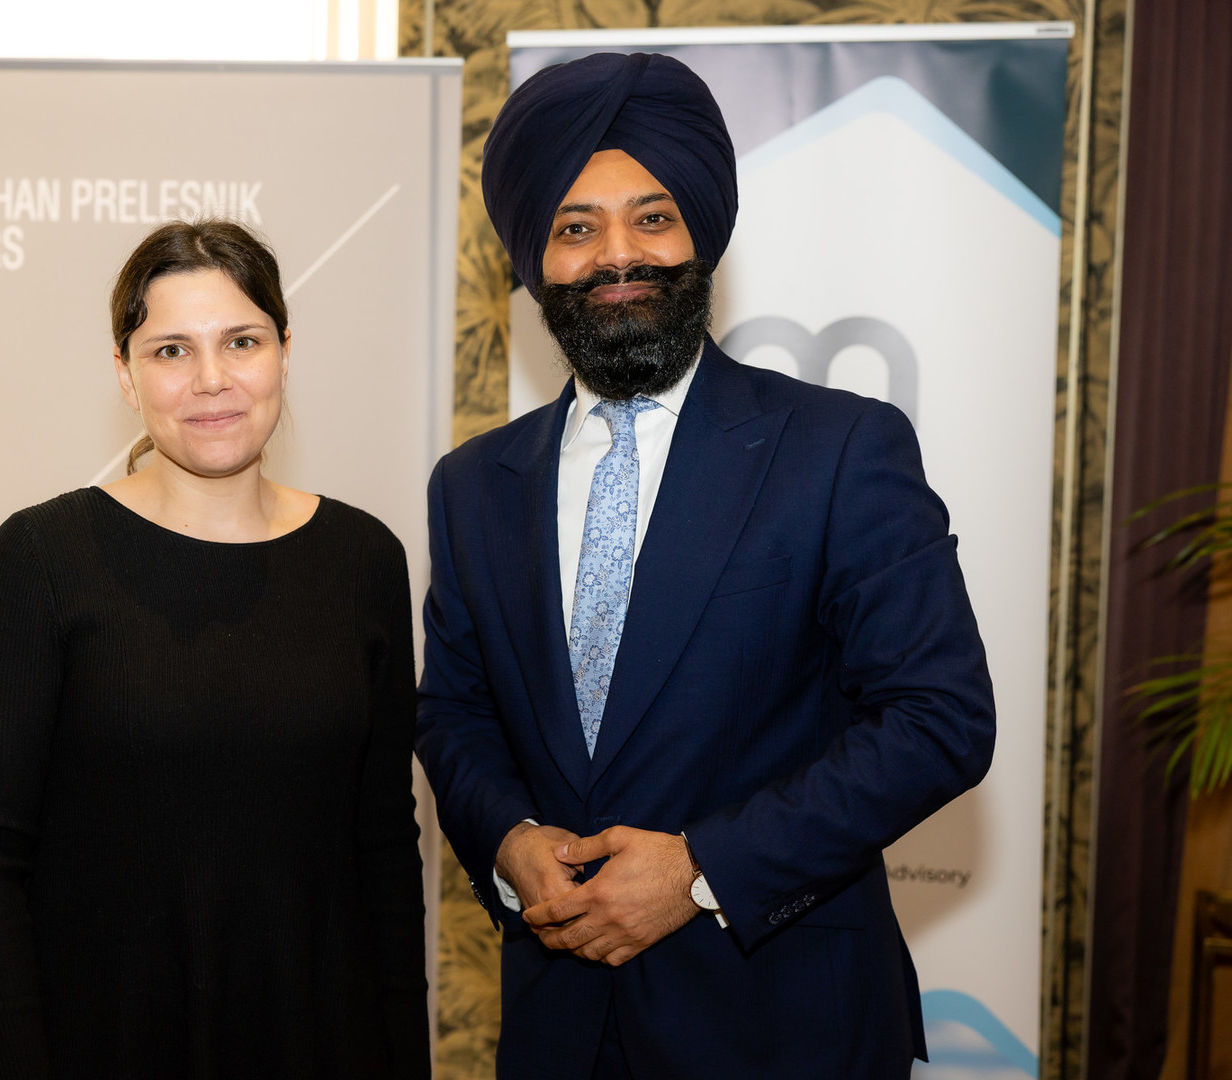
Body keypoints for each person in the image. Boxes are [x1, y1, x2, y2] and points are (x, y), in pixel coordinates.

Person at [415, 51, 995, 1079]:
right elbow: (455, 712)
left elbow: (937, 719)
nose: (618, 256)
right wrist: (507, 840)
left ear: (701, 234)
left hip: (785, 1025)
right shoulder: (472, 486)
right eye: (576, 229)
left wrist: (699, 870)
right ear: (535, 261)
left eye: (653, 218)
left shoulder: (837, 449)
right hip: (560, 1027)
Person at [0, 219, 429, 1079]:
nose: (211, 379)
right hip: (106, 1044)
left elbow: (383, 847)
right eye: (171, 350)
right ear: (125, 374)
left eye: (242, 341)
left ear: (284, 353)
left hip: (319, 1040)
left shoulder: (364, 561)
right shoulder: (42, 560)